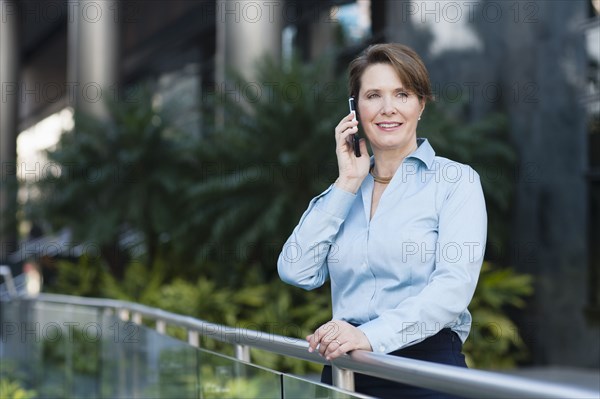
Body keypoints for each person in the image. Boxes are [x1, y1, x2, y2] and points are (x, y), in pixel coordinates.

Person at [277, 43, 487, 399]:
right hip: (347, 370)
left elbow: (452, 288)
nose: (387, 108)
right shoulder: (347, 189)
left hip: (425, 370)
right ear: (354, 109)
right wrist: (346, 182)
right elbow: (296, 270)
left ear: (421, 104)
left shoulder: (456, 181)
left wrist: (370, 336)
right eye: (373, 95)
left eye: (402, 94)